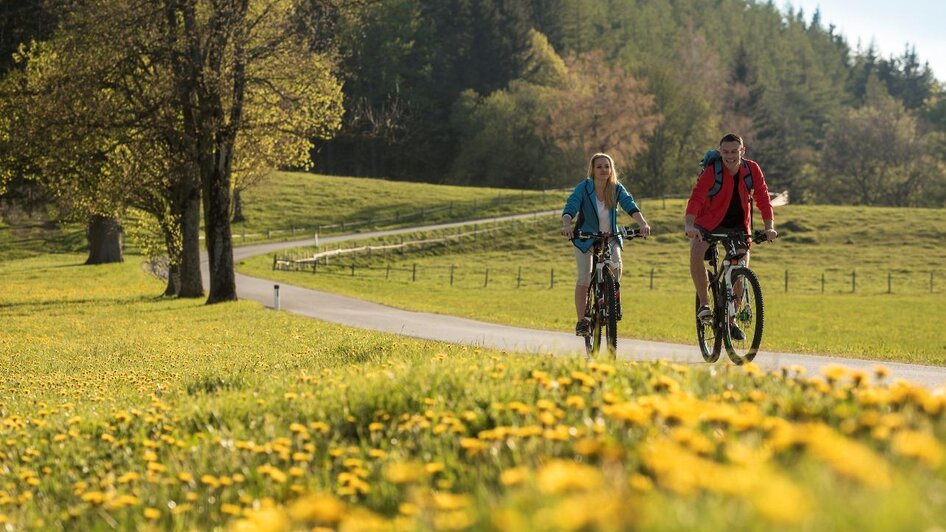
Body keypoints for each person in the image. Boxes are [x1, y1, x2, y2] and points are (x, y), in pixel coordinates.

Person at [684, 133, 778, 340]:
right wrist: (690, 224)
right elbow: (697, 197)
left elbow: (762, 196)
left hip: (739, 226)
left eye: (734, 151)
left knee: (741, 269)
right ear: (720, 152)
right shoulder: (712, 171)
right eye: (725, 152)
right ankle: (704, 304)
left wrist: (769, 227)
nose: (730, 156)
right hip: (709, 222)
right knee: (696, 253)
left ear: (742, 151)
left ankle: (731, 321)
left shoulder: (752, 170)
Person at [561, 152, 651, 336]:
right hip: (585, 237)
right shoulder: (583, 188)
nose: (604, 170)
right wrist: (566, 224)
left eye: (607, 166)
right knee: (584, 278)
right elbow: (572, 205)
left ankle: (612, 297)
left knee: (616, 266)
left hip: (610, 236)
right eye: (599, 166)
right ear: (592, 170)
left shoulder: (616, 189)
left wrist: (642, 223)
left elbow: (629, 204)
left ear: (611, 170)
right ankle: (582, 321)